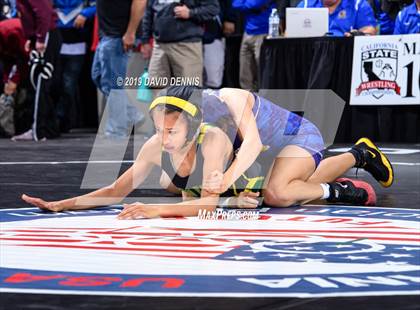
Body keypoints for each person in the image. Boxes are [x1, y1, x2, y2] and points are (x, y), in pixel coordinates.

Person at [22, 86, 385, 219]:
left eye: (171, 130)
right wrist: (62, 204)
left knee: (277, 193)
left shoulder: (229, 102)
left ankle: (344, 177)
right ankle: (355, 155)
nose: (163, 138)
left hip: (292, 137)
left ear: (195, 122)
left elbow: (254, 145)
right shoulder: (183, 129)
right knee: (177, 184)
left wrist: (223, 181)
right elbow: (117, 189)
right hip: (252, 152)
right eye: (159, 129)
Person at [91, 0, 145, 138]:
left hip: (119, 35)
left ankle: (117, 131)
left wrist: (130, 33)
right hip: (107, 34)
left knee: (114, 85)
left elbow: (140, 2)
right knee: (97, 75)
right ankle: (132, 114)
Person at [13, 0, 62, 141]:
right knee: (37, 83)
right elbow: (29, 15)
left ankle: (39, 130)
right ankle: (48, 128)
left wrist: (40, 37)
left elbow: (44, 12)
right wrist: (31, 37)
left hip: (46, 35)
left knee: (41, 83)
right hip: (42, 35)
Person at [140, 0, 219, 88]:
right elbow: (148, 12)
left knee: (188, 91)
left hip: (187, 45)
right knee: (156, 87)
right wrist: (145, 40)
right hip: (160, 45)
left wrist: (190, 13)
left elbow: (213, 9)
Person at [53, 0, 96, 132]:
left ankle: (59, 119)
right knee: (55, 84)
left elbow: (99, 5)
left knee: (68, 85)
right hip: (56, 43)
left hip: (78, 43)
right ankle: (55, 119)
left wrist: (85, 14)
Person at [232, 0, 274, 90]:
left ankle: (263, 100)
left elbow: (253, 4)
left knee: (262, 72)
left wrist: (246, 4)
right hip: (247, 33)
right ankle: (247, 99)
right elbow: (235, 4)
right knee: (244, 72)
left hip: (263, 33)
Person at [297, 0, 377, 36]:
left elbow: (370, 30)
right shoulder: (305, 5)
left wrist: (357, 35)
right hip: (312, 55)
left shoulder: (358, 4)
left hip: (346, 56)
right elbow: (289, 33)